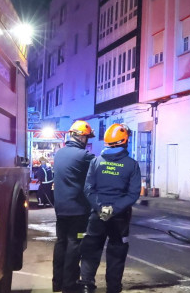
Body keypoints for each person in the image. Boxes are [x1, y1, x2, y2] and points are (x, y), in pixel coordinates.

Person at [78, 123, 141, 293]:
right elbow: (133, 194)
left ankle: (86, 285)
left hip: (97, 216)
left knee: (91, 250)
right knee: (116, 254)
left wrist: (100, 208)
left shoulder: (96, 162)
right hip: (119, 218)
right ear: (124, 141)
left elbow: (88, 189)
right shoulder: (132, 165)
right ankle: (113, 288)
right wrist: (113, 209)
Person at [51, 120, 96, 293]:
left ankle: (58, 283)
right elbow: (100, 166)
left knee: (61, 243)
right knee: (75, 244)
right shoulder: (84, 156)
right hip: (78, 211)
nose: (87, 141)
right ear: (81, 137)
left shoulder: (59, 153)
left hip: (61, 209)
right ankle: (70, 285)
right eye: (86, 137)